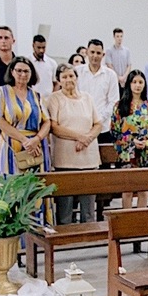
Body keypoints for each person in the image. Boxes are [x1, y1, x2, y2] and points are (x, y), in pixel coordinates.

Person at [46, 64, 102, 223]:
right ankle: (65, 235)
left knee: (89, 205)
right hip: (66, 158)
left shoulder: (87, 97)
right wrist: (80, 137)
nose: (68, 80)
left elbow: (98, 124)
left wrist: (87, 139)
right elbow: (54, 127)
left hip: (89, 157)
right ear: (59, 80)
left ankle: (88, 235)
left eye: (71, 76)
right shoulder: (54, 98)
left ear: (76, 78)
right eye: (64, 77)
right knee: (65, 205)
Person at [0, 56, 52, 181]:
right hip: (12, 144)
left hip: (36, 146)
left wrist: (37, 139)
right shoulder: (2, 92)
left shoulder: (36, 95)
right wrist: (24, 140)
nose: (22, 74)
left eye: (26, 71)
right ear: (12, 72)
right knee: (13, 185)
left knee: (37, 185)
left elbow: (47, 121)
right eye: (19, 70)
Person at [112, 69, 148, 209]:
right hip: (127, 151)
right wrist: (131, 141)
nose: (137, 85)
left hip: (145, 152)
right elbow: (114, 131)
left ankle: (140, 220)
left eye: (140, 82)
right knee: (128, 189)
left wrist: (147, 142)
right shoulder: (119, 106)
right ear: (129, 84)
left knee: (143, 190)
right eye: (134, 82)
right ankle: (127, 219)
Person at [76, 38, 120, 146]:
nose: (95, 56)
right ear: (86, 52)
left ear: (103, 55)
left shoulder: (111, 75)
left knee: (103, 161)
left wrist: (98, 119)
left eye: (98, 53)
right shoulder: (77, 72)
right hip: (81, 126)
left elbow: (114, 102)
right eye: (92, 52)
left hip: (103, 127)